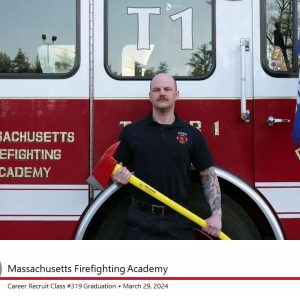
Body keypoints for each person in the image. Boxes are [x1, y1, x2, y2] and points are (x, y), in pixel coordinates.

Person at [112, 73, 222, 239]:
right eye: (156, 90)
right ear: (150, 96)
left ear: (176, 95)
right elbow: (114, 170)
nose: (162, 93)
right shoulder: (132, 132)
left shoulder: (192, 135)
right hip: (140, 220)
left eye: (167, 89)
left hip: (179, 217)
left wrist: (216, 215)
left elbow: (208, 175)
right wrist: (117, 178)